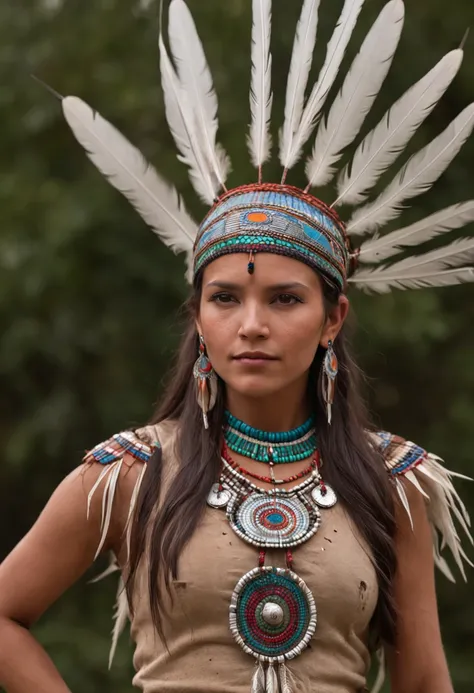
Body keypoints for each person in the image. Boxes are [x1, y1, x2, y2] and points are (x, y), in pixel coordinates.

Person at [0, 0, 473, 692]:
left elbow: (425, 681)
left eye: (285, 298)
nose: (252, 323)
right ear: (198, 316)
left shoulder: (393, 485)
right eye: (226, 298)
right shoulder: (131, 474)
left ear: (333, 317)